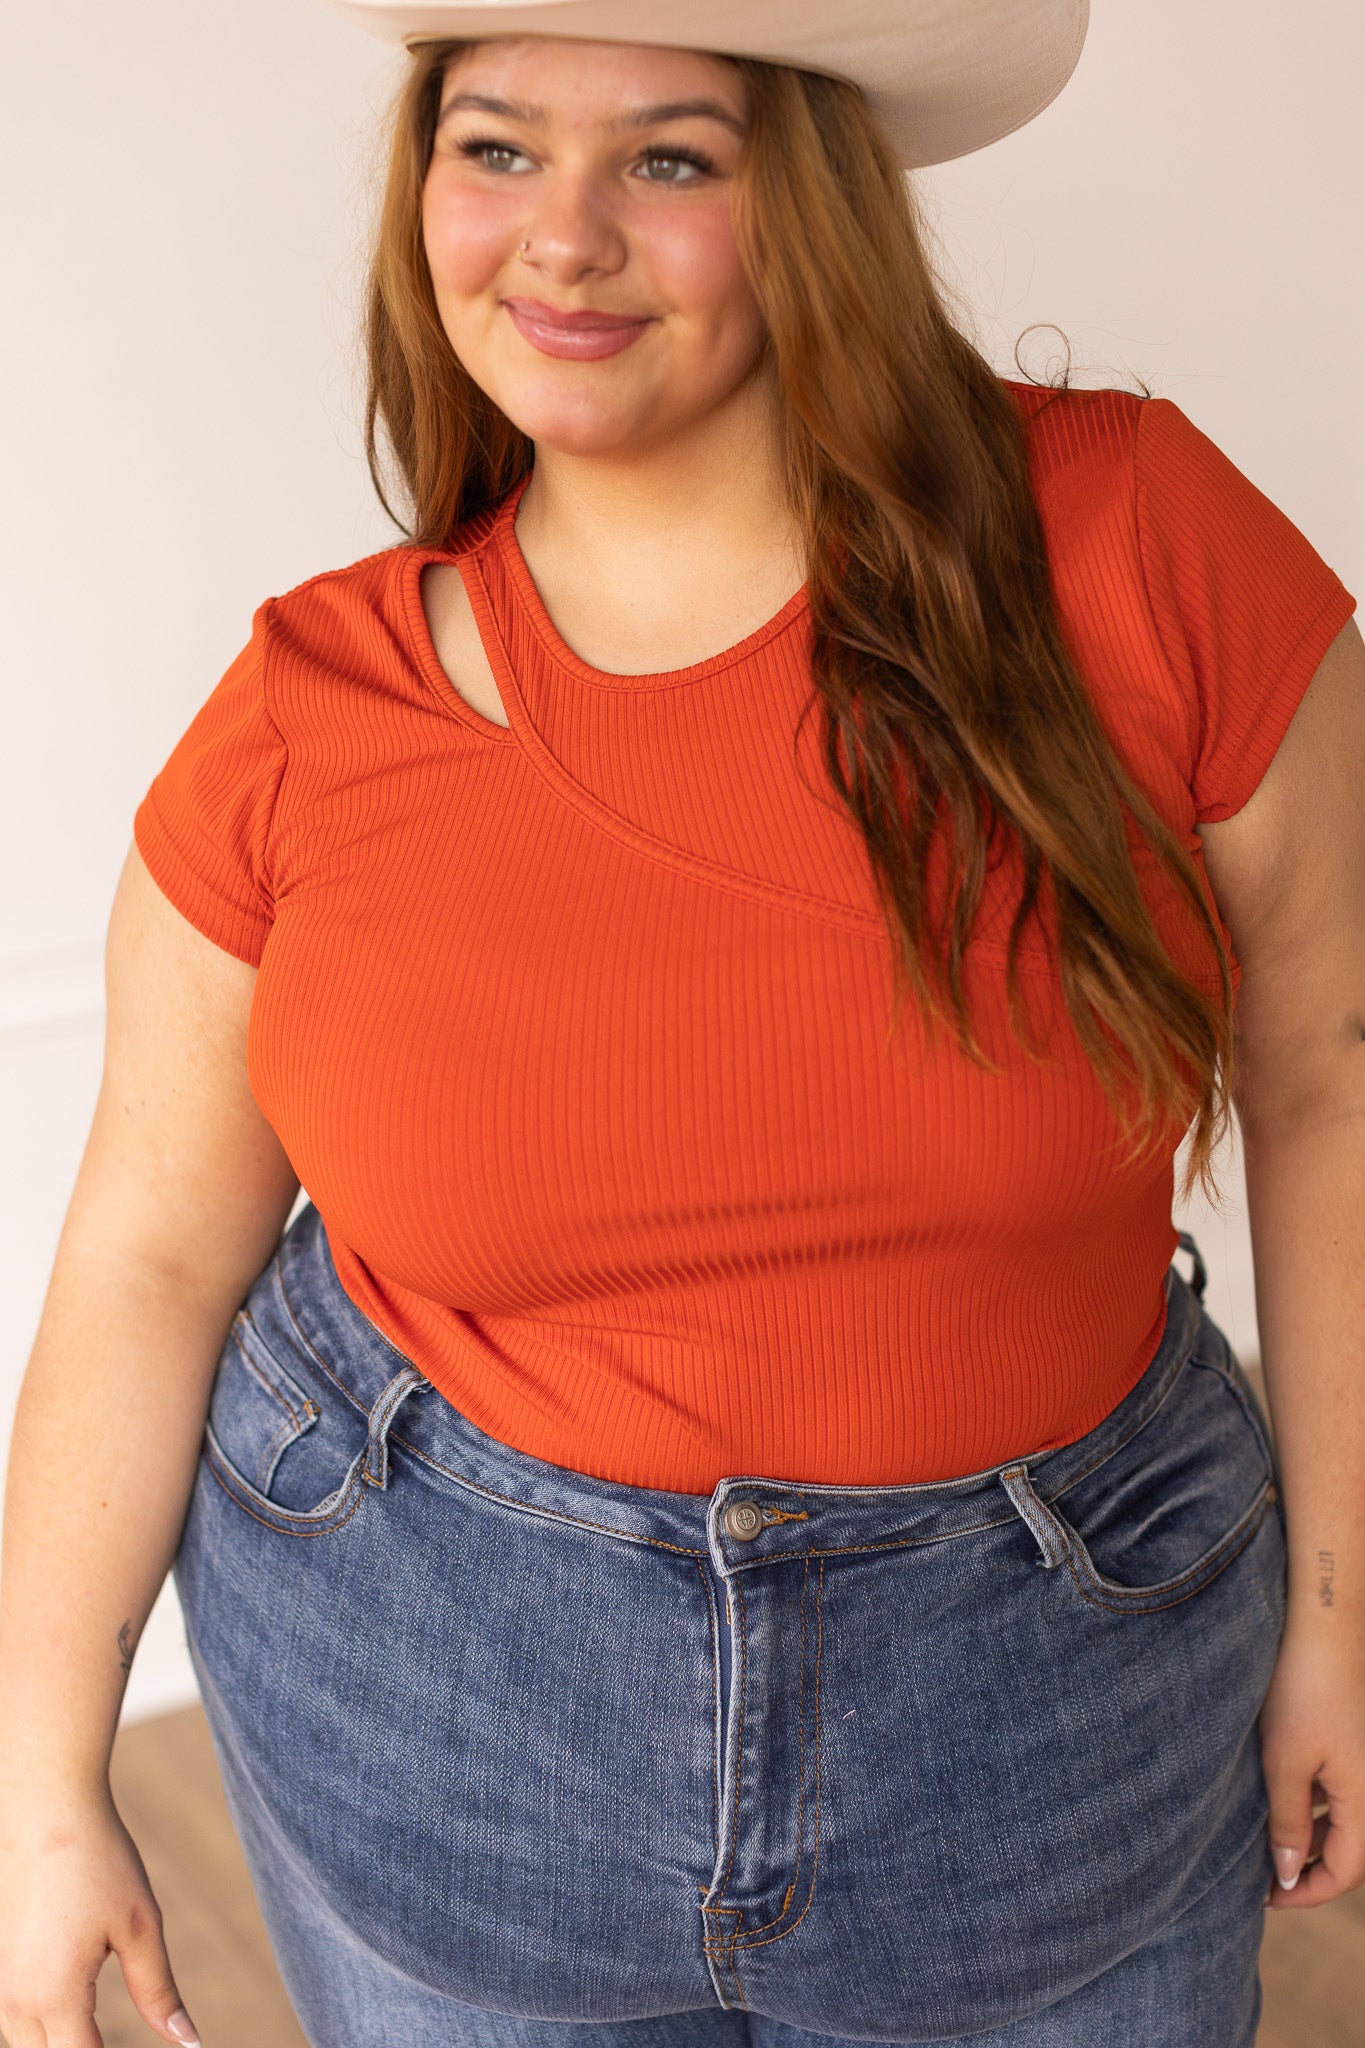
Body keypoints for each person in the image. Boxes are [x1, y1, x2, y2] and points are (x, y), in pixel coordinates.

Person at [1, 0, 1363, 2042]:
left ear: (814, 200)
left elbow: (1333, 1076)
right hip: (433, 1702)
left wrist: (1342, 1614)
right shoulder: (306, 715)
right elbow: (144, 1253)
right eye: (493, 147)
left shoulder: (1137, 542)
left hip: (1053, 1696)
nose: (559, 236)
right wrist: (39, 1792)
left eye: (667, 157)